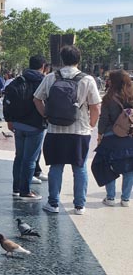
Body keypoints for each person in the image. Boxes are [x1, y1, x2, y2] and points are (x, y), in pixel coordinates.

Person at [34, 45, 102, 215]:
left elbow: (36, 99)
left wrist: (46, 116)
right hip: (80, 131)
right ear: (79, 59)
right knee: (79, 168)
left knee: (56, 167)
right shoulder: (88, 80)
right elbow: (96, 107)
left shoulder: (50, 77)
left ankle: (53, 203)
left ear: (62, 59)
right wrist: (92, 125)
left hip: (55, 130)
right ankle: (79, 205)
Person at [4, 55, 47, 201]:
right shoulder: (43, 81)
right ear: (43, 67)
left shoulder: (18, 80)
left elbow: (7, 100)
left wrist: (9, 120)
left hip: (18, 124)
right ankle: (25, 191)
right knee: (30, 159)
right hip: (35, 125)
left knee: (19, 156)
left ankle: (16, 188)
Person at [92, 69, 133, 207]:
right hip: (129, 136)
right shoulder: (131, 96)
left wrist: (100, 135)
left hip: (111, 136)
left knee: (107, 166)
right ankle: (126, 198)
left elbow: (103, 119)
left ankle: (110, 197)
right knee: (129, 168)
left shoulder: (108, 98)